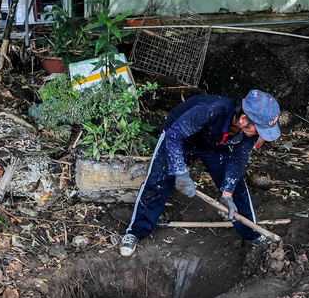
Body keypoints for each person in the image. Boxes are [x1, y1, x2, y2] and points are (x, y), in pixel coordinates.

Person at [120, 89, 281, 257]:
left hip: (215, 145)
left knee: (237, 188)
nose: (261, 136)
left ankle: (252, 235)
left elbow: (238, 159)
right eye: (260, 129)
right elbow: (174, 135)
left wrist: (227, 193)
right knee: (158, 181)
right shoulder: (209, 109)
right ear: (243, 119)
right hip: (179, 138)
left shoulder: (250, 131)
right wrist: (180, 172)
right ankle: (136, 231)